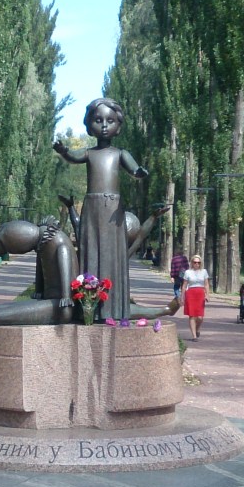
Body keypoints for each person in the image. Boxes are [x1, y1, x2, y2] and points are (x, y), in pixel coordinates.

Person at [53, 98, 148, 321]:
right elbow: (73, 157)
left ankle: (113, 310)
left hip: (113, 210)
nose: (104, 125)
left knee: (113, 255)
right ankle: (88, 308)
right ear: (89, 125)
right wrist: (64, 151)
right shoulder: (89, 153)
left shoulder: (120, 154)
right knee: (91, 251)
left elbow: (134, 169)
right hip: (93, 208)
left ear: (118, 126)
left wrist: (139, 172)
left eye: (110, 121)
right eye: (98, 120)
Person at [181, 254, 209, 341]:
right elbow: (184, 285)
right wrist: (182, 297)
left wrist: (207, 294)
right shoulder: (187, 272)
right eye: (195, 262)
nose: (197, 264)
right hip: (191, 293)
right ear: (192, 263)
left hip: (200, 293)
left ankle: (197, 329)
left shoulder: (204, 271)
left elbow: (206, 284)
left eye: (198, 262)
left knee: (200, 317)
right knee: (192, 315)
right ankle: (194, 336)